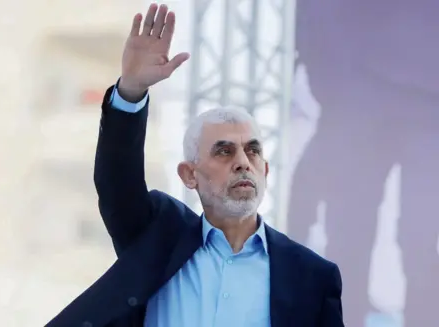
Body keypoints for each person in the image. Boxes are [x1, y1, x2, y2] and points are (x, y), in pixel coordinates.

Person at [46, 4, 344, 327]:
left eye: (252, 151)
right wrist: (130, 93)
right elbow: (117, 183)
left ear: (266, 171)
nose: (243, 163)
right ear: (190, 175)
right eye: (224, 152)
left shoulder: (312, 277)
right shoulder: (157, 237)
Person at [290, 1, 439, 326]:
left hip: (428, 100)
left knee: (425, 242)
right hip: (354, 89)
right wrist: (324, 74)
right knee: (347, 235)